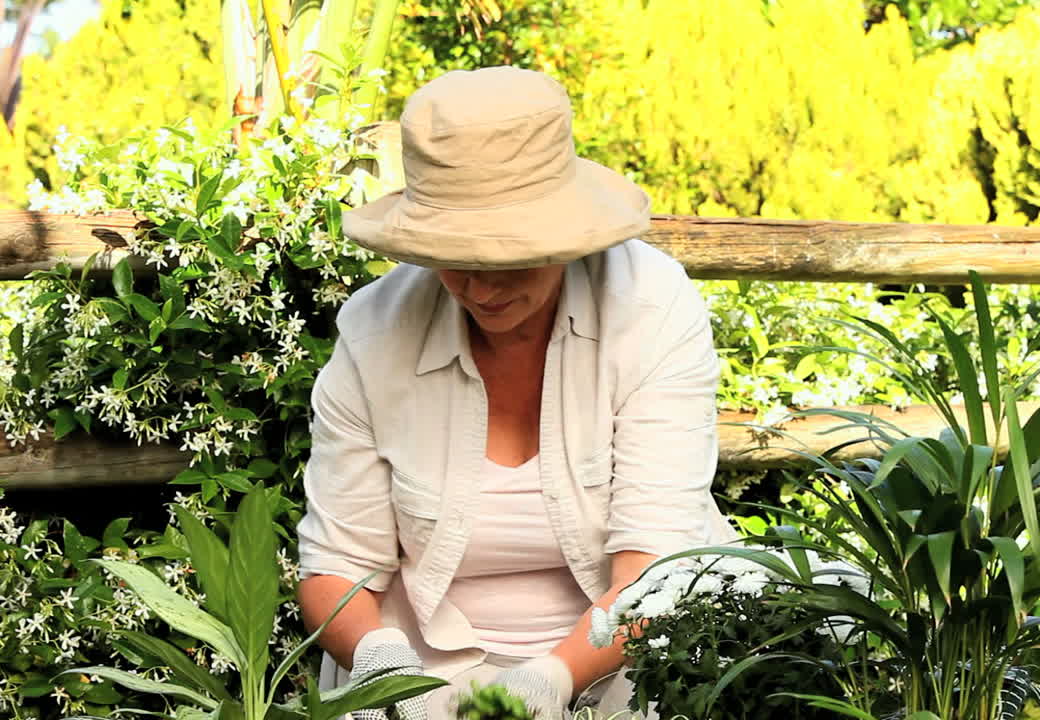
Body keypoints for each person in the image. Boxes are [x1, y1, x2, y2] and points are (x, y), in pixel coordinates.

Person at [295, 66, 736, 720]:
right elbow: (337, 569)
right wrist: (380, 664)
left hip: (626, 659)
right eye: (453, 256)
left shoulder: (651, 308)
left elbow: (655, 570)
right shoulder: (374, 333)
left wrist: (552, 682)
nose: (480, 288)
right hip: (424, 674)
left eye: (508, 257)